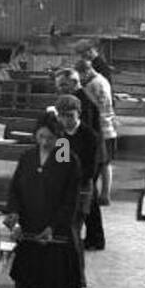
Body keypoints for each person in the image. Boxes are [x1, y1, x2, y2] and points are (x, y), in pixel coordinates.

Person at [5, 115, 85, 288]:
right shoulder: (28, 156)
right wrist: (14, 213)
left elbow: (69, 200)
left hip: (55, 234)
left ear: (59, 137)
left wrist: (53, 227)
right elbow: (15, 189)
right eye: (41, 137)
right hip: (30, 231)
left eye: (50, 138)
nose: (45, 142)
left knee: (54, 287)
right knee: (38, 281)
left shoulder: (66, 157)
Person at [54, 94, 105, 251]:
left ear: (79, 113)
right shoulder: (58, 133)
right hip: (63, 179)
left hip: (83, 179)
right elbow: (58, 158)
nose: (66, 120)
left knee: (90, 208)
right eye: (62, 116)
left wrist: (79, 179)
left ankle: (95, 239)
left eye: (70, 116)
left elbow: (91, 165)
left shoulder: (89, 136)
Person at [76, 58, 118, 204]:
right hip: (107, 125)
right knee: (105, 163)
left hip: (102, 127)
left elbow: (95, 106)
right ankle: (103, 194)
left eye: (81, 75)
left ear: (87, 71)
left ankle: (103, 195)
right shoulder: (102, 80)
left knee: (102, 162)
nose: (80, 79)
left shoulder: (94, 84)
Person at [53, 69, 101, 136]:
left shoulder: (84, 100)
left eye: (63, 85)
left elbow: (85, 127)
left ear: (74, 82)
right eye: (58, 86)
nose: (60, 89)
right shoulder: (81, 96)